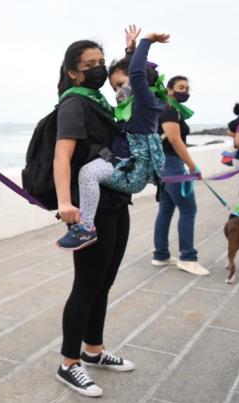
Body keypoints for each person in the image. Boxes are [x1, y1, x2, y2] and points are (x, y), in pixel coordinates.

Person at [53, 40, 135, 398]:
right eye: (91, 64)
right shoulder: (74, 103)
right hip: (90, 211)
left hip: (116, 202)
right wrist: (66, 203)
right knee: (86, 287)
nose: (99, 69)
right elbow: (62, 156)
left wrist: (131, 54)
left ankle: (94, 350)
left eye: (101, 62)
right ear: (73, 71)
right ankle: (69, 363)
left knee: (104, 284)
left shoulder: (102, 102)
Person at [57, 25, 167, 251]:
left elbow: (135, 75)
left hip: (132, 170)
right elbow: (129, 76)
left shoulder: (144, 103)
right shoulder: (131, 104)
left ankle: (86, 227)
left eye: (122, 86)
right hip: (126, 165)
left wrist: (145, 42)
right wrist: (129, 52)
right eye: (114, 87)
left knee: (88, 173)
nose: (119, 92)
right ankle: (87, 226)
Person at [152, 75, 209, 276]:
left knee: (166, 210)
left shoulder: (169, 110)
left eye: (186, 88)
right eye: (180, 87)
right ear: (169, 90)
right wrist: (192, 167)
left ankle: (161, 254)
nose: (184, 91)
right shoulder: (169, 111)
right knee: (188, 210)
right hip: (172, 164)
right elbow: (175, 141)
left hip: (164, 165)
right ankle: (188, 258)